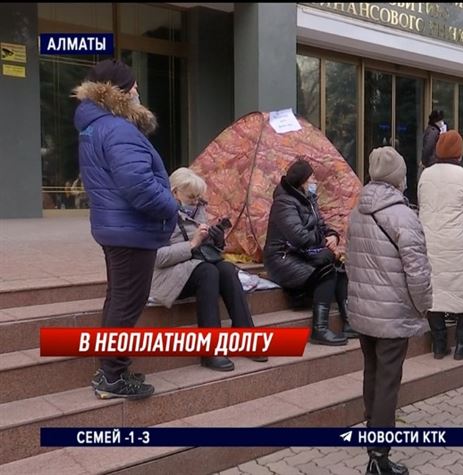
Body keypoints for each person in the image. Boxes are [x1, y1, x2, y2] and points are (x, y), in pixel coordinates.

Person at [74, 59, 179, 400]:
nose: (138, 91)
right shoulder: (118, 129)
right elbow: (138, 186)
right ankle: (112, 377)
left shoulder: (95, 126)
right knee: (127, 304)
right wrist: (172, 205)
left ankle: (110, 369)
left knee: (117, 299)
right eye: (133, 86)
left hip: (114, 228)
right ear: (119, 91)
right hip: (132, 231)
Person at [347, 146, 433, 475]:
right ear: (399, 176)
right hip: (393, 314)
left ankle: (373, 446)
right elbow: (418, 271)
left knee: (372, 378)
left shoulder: (357, 210)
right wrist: (424, 306)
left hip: (364, 311)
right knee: (387, 385)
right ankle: (379, 459)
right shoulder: (403, 215)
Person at [149, 168, 269, 371]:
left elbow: (207, 251)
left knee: (227, 269)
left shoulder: (198, 209)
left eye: (198, 197)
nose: (195, 201)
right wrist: (193, 243)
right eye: (191, 196)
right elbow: (157, 258)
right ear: (175, 192)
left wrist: (215, 239)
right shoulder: (158, 214)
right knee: (209, 272)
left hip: (194, 266)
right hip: (168, 276)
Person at [263, 158, 355, 346]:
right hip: (282, 258)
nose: (314, 182)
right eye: (311, 179)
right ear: (302, 181)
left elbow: (320, 225)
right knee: (327, 271)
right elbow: (299, 237)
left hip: (301, 253)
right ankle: (319, 329)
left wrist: (332, 236)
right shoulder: (284, 203)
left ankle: (348, 322)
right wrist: (324, 243)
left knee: (339, 266)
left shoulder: (309, 199)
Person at [419, 131, 463, 360]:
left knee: (435, 292)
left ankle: (439, 345)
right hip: (458, 242)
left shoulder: (425, 175)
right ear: (460, 152)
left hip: (430, 241)